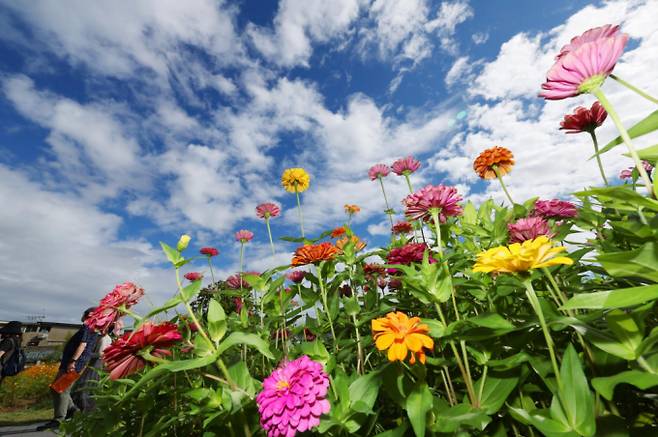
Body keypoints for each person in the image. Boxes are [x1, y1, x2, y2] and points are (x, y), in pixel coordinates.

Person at [37, 308, 100, 431]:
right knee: (56, 388)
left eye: (84, 313)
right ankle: (73, 411)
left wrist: (73, 361)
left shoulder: (89, 327)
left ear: (89, 315)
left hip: (74, 364)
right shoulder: (90, 328)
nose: (82, 315)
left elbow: (83, 345)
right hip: (70, 363)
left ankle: (59, 419)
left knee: (61, 389)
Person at [72, 319, 123, 411]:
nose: (101, 330)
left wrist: (88, 353)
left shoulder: (104, 338)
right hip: (96, 362)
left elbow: (101, 354)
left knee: (88, 384)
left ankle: (87, 407)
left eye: (104, 328)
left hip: (97, 362)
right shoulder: (103, 338)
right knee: (88, 385)